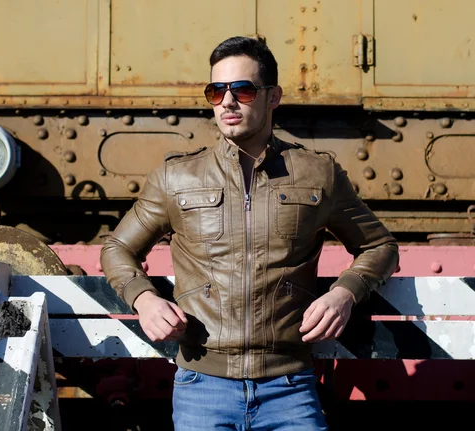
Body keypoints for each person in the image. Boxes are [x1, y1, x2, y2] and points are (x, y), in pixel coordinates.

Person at [100, 36, 399, 430]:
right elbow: (117, 248)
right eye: (216, 90)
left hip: (290, 387)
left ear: (273, 96)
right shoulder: (176, 178)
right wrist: (144, 299)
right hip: (201, 387)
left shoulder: (316, 173)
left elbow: (379, 246)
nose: (227, 102)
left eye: (242, 89)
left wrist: (345, 293)